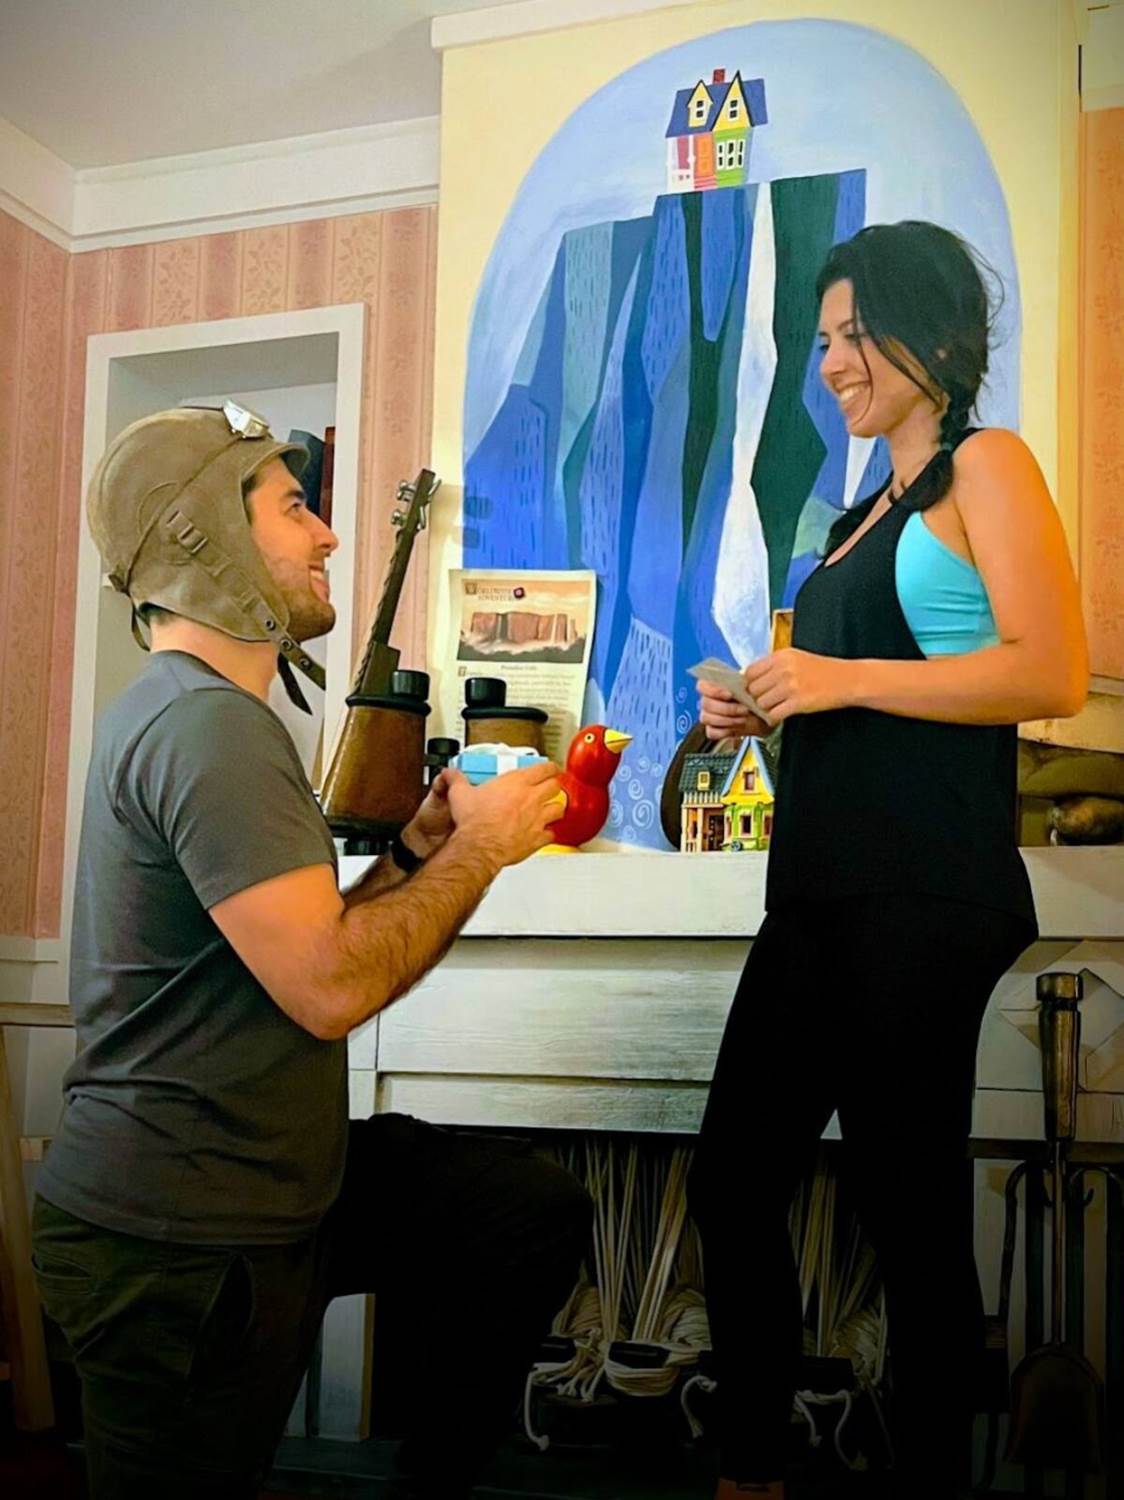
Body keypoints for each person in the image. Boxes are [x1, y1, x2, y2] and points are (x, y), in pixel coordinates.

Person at [30, 403, 591, 1500]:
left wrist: (421, 848)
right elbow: (331, 989)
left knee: (521, 1209)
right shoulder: (209, 728)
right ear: (203, 535)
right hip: (176, 1238)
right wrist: (480, 854)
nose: (328, 533)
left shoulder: (198, 717)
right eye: (295, 508)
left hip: (275, 1191)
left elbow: (311, 942)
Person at [686, 221, 1088, 1500]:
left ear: (932, 332)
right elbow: (864, 690)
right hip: (819, 890)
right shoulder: (858, 513)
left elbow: (1049, 672)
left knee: (903, 1213)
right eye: (820, 341)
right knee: (731, 1181)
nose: (830, 364)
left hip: (920, 890)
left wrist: (836, 678)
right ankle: (752, 1471)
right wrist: (766, 707)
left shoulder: (985, 467)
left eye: (851, 334)